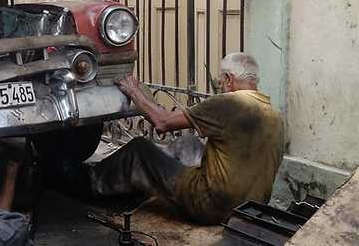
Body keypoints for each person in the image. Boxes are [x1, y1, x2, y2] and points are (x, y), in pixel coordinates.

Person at [88, 53, 284, 225]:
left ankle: (89, 183)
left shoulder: (229, 103)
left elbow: (162, 122)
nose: (221, 86)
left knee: (138, 149)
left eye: (221, 82)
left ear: (228, 79)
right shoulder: (274, 115)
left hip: (211, 206)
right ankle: (144, 185)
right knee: (188, 141)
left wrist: (133, 91)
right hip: (251, 209)